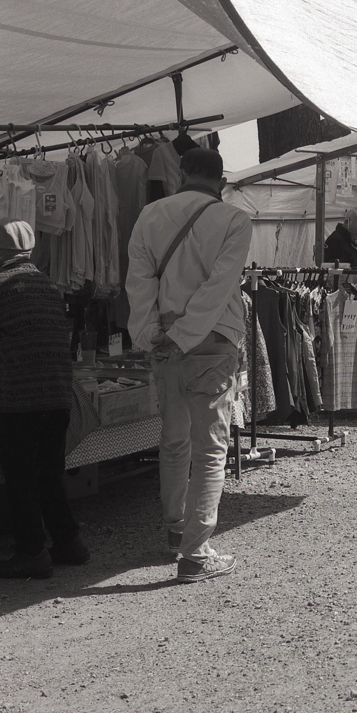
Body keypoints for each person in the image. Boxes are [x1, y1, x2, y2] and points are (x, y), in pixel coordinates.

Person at [127, 148, 251, 583]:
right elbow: (218, 287)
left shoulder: (150, 215)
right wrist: (183, 338)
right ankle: (195, 554)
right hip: (212, 341)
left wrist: (151, 337)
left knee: (174, 441)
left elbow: (139, 281)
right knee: (210, 446)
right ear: (221, 179)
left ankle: (175, 529)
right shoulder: (234, 220)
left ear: (182, 172)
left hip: (163, 342)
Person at [0, 218, 87, 579]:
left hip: (19, 396)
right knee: (49, 473)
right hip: (58, 394)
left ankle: (32, 552)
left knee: (20, 476)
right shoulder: (49, 286)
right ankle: (69, 542)